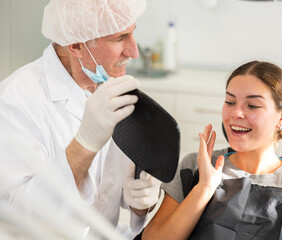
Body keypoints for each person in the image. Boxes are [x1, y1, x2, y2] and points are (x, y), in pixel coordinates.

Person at [0, 0, 162, 237]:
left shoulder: (111, 86)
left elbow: (109, 195)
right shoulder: (15, 101)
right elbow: (14, 215)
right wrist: (84, 146)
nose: (134, 52)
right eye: (120, 38)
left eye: (132, 34)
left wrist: (141, 201)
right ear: (76, 45)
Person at [142, 61, 282, 239]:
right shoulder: (194, 167)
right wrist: (203, 188)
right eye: (230, 102)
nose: (236, 113)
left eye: (253, 106)